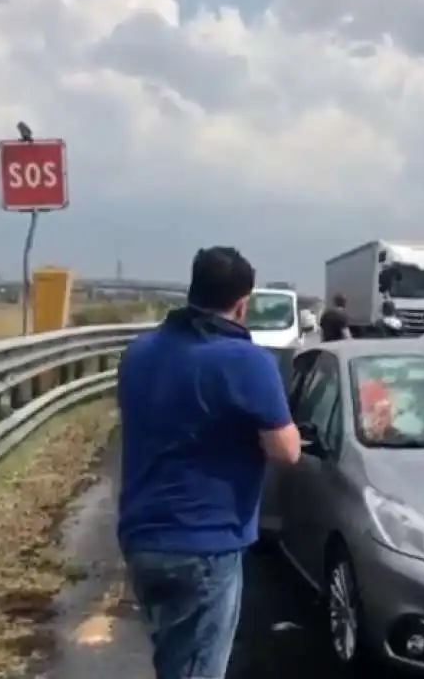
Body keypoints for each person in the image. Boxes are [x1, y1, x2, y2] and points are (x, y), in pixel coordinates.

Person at [116, 246, 301, 679]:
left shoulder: (139, 352)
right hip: (203, 545)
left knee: (174, 658)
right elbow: (286, 451)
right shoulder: (246, 361)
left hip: (142, 538)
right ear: (242, 302)